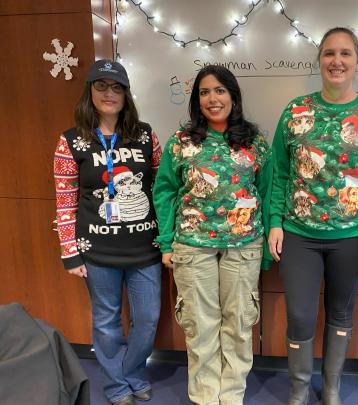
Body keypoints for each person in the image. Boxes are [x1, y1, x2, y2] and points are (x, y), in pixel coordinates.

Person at [268, 27, 358, 405]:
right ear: (319, 61)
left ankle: (331, 388)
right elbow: (279, 172)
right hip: (299, 234)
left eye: (345, 54)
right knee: (300, 315)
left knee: (341, 313)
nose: (336, 61)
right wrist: (275, 221)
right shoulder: (295, 111)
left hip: (353, 236)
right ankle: (298, 389)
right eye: (329, 53)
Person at [153, 65, 272, 405]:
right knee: (200, 327)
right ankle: (205, 398)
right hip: (193, 246)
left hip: (243, 245)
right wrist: (166, 243)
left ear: (233, 97)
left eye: (220, 91)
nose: (212, 98)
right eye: (204, 92)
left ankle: (231, 397)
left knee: (238, 326)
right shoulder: (182, 142)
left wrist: (263, 251)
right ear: (197, 100)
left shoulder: (254, 141)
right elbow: (165, 192)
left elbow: (266, 190)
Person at [53, 59, 163, 405]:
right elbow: (64, 202)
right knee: (106, 321)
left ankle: (133, 373)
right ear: (89, 92)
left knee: (147, 318)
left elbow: (163, 190)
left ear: (126, 94)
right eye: (101, 86)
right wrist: (70, 253)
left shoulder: (146, 135)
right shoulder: (69, 142)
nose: (109, 94)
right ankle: (116, 385)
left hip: (145, 248)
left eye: (117, 87)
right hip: (96, 250)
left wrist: (169, 239)